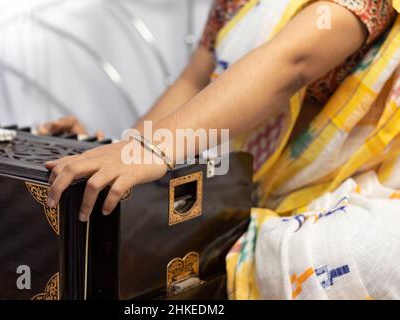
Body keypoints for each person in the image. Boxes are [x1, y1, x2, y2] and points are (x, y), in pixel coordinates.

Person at [42, 0, 400, 299]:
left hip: (350, 197)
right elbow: (194, 80)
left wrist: (150, 148)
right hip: (243, 193)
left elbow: (294, 61)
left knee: (378, 250)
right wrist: (118, 153)